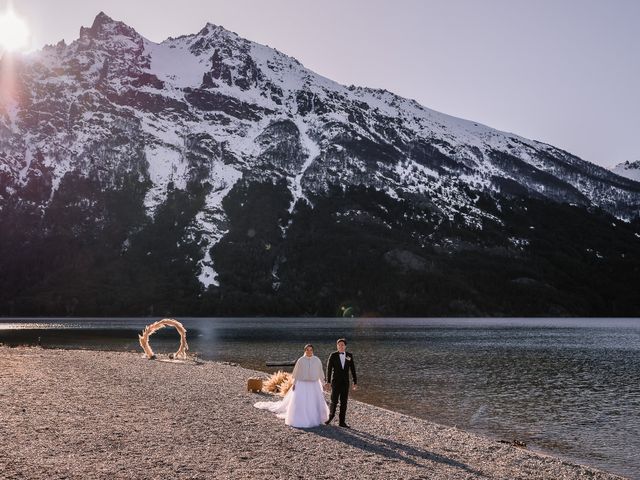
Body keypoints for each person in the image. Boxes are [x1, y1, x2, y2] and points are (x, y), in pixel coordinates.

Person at [254, 344, 329, 428]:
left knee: (313, 401)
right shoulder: (301, 360)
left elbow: (320, 373)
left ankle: (315, 418)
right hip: (302, 383)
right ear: (305, 351)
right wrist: (294, 384)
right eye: (307, 350)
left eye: (311, 350)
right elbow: (296, 373)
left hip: (313, 384)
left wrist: (323, 383)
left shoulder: (317, 360)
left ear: (313, 351)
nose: (309, 351)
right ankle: (301, 418)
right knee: (302, 401)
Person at [325, 338, 358, 428]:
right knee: (334, 401)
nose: (340, 346)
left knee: (344, 402)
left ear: (345, 346)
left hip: (345, 382)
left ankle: (342, 422)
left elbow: (353, 369)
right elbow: (328, 369)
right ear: (337, 346)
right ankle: (330, 417)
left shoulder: (349, 355)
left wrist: (355, 382)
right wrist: (328, 381)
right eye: (339, 345)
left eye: (342, 345)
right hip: (335, 382)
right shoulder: (333, 355)